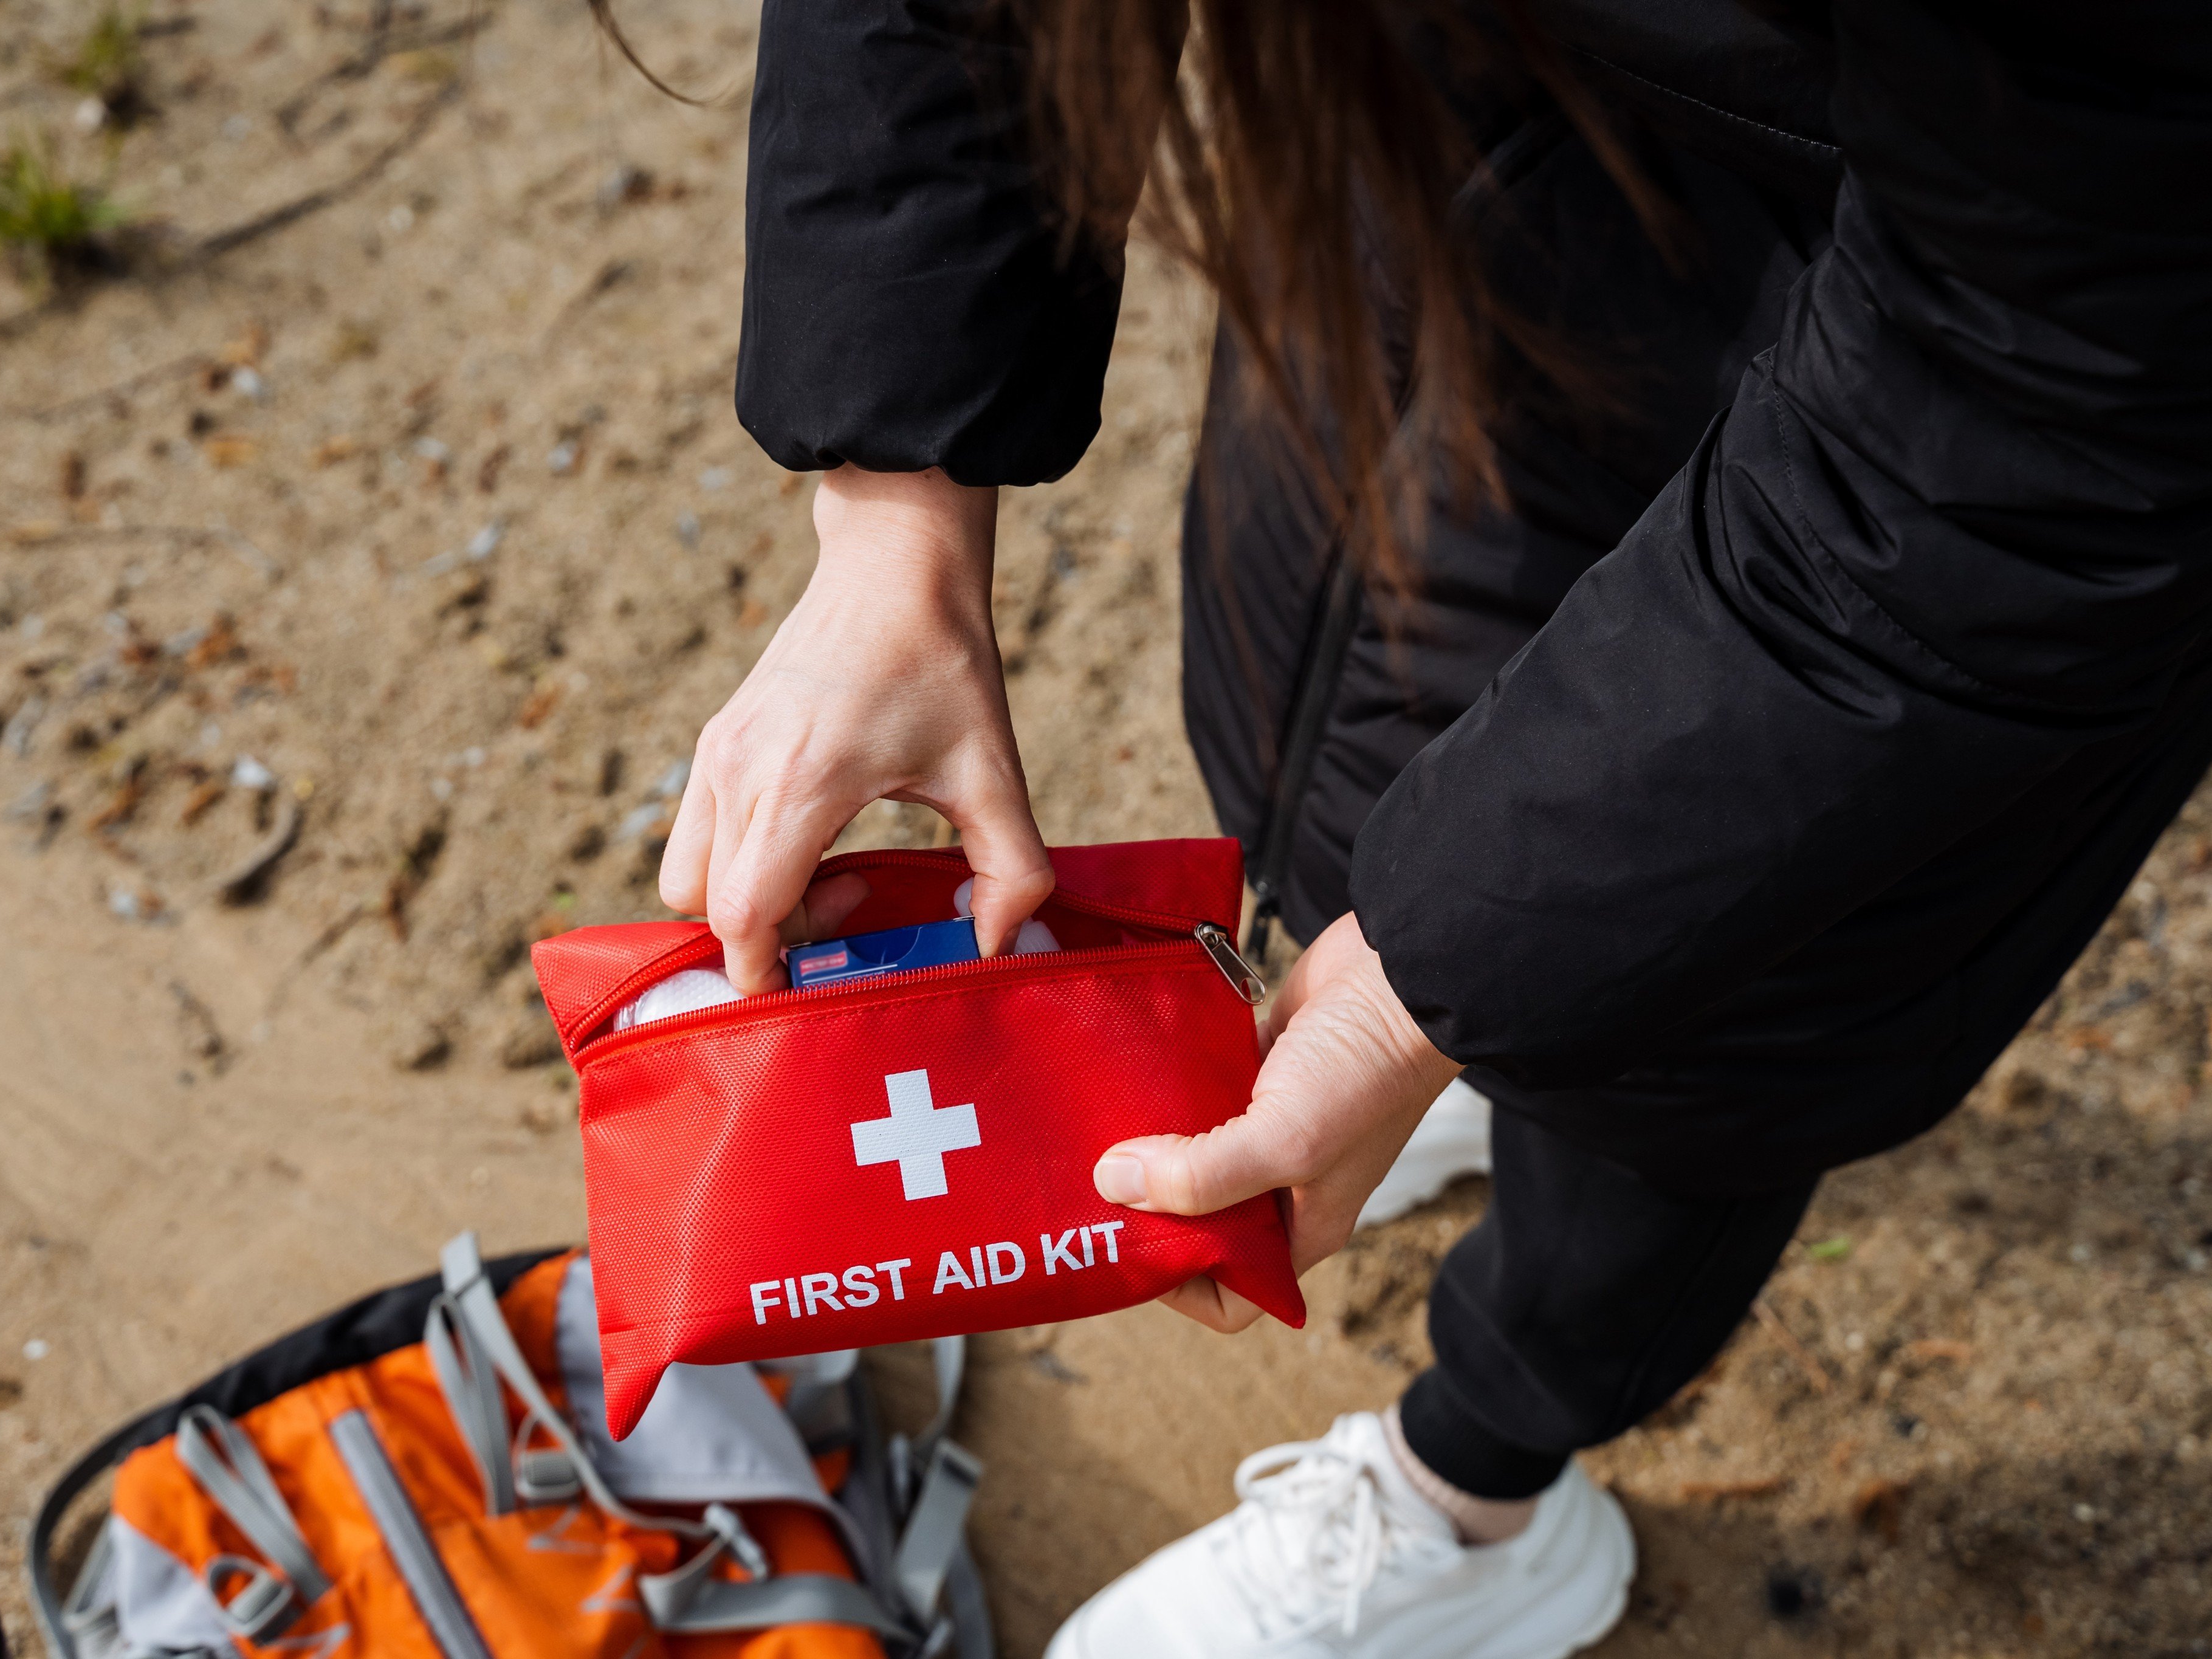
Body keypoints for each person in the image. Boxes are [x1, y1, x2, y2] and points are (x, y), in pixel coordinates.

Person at [652, 2, 2212, 1654]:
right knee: (1367, 738)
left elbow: (2031, 437)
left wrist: (1424, 986)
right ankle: (1451, 1034)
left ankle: (1483, 1495)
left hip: (1905, 468)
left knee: (1694, 1060)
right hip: (1442, 231)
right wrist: (894, 514)